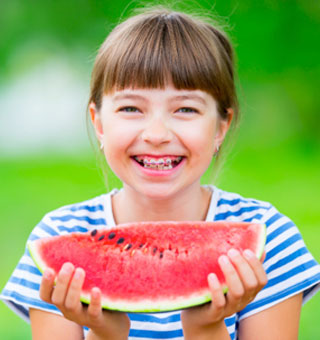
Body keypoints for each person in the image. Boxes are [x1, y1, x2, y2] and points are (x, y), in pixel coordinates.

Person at [1, 6, 320, 340]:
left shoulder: (270, 241)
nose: (156, 134)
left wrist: (205, 328)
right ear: (98, 123)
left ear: (221, 126)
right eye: (130, 108)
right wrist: (106, 334)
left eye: (185, 109)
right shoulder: (57, 239)